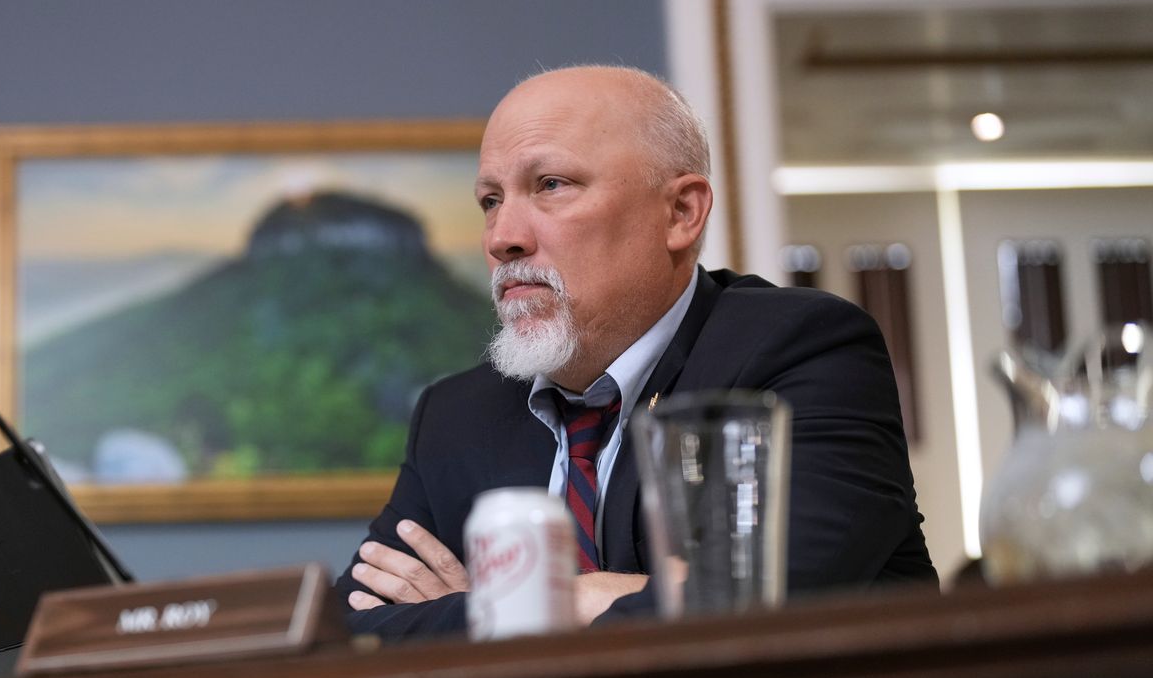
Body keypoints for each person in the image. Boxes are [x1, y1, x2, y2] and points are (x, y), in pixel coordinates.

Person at [333, 64, 936, 641]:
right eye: (491, 200)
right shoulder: (456, 414)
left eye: (551, 185)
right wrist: (585, 599)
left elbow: (767, 603)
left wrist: (495, 609)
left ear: (681, 213)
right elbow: (347, 631)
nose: (501, 238)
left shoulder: (803, 348)